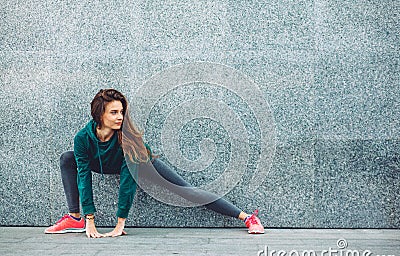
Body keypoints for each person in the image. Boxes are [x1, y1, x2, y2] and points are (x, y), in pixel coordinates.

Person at [44, 89, 265, 238]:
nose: (120, 117)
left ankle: (247, 217)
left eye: (121, 112)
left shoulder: (128, 138)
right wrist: (89, 219)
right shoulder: (83, 138)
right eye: (114, 112)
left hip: (141, 163)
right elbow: (83, 176)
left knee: (187, 190)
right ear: (99, 114)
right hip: (100, 162)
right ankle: (74, 218)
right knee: (67, 158)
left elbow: (128, 180)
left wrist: (120, 223)